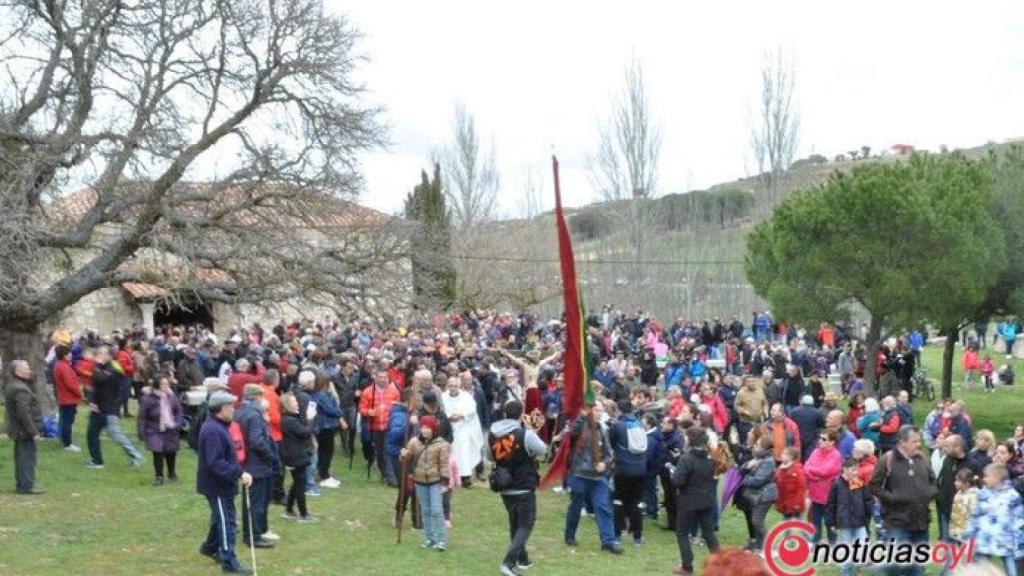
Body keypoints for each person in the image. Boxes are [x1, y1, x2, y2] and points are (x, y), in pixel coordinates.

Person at [196, 390, 254, 574]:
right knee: (227, 522)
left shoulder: (220, 426)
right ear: (221, 408)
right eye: (230, 406)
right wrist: (239, 473)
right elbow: (216, 462)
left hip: (221, 485)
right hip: (217, 486)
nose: (233, 409)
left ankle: (209, 548)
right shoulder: (213, 430)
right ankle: (229, 561)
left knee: (219, 519)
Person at [488, 399, 547, 576]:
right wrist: (530, 430)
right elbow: (543, 450)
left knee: (515, 523)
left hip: (504, 486)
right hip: (523, 486)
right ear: (521, 415)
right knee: (525, 524)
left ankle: (523, 559)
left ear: (505, 414)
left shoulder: (492, 433)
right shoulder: (524, 434)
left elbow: (489, 457)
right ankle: (508, 562)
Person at [869, 426, 936, 576]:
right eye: (914, 441)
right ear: (902, 442)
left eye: (919, 440)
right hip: (897, 522)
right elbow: (874, 486)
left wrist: (929, 493)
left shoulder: (923, 458)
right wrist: (893, 498)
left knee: (917, 565)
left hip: (921, 521)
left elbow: (933, 481)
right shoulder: (887, 459)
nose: (918, 444)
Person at [563, 404, 621, 555]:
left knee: (603, 507)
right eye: (595, 409)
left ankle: (608, 541)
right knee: (575, 507)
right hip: (580, 474)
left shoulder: (603, 430)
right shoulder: (581, 426)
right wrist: (583, 416)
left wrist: (605, 463)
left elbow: (609, 454)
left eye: (601, 410)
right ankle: (570, 535)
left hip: (598, 477)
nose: (599, 413)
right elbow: (572, 433)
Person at [671, 427, 720, 575]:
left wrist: (673, 473)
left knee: (682, 533)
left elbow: (678, 481)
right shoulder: (711, 458)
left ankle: (687, 566)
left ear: (691, 440)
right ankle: (720, 562)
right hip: (706, 500)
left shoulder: (686, 458)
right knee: (708, 532)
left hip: (689, 501)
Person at [86, 346, 144, 469]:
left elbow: (99, 378)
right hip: (97, 409)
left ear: (109, 356)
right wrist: (92, 401)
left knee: (115, 435)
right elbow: (93, 386)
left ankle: (136, 456)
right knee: (91, 434)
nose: (100, 356)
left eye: (103, 353)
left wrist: (97, 365)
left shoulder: (113, 369)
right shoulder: (99, 368)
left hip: (109, 410)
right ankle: (97, 461)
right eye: (99, 353)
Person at [235, 384, 278, 549]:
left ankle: (253, 533)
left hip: (246, 462)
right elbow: (257, 441)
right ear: (258, 396)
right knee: (256, 503)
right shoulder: (254, 415)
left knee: (251, 502)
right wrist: (271, 456)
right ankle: (254, 536)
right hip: (257, 464)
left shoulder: (241, 412)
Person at [401, 415, 451, 552]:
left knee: (436, 510)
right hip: (420, 481)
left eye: (428, 427)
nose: (425, 430)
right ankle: (429, 539)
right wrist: (403, 454)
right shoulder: (414, 442)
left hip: (435, 481)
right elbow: (407, 458)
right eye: (423, 427)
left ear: (433, 428)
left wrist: (444, 483)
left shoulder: (442, 445)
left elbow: (444, 465)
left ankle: (441, 541)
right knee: (426, 511)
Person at [964, 463, 1024, 576]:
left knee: (1013, 571)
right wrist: (969, 535)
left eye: (987, 476)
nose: (984, 479)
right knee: (976, 570)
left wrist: (1019, 546)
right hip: (983, 541)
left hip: (1006, 542)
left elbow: (1019, 521)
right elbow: (975, 516)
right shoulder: (983, 494)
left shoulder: (1012, 496)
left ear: (997, 477)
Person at [608, 400, 648, 546]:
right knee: (636, 502)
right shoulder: (640, 424)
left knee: (618, 500)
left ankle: (617, 535)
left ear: (619, 410)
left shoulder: (617, 426)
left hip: (623, 469)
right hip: (641, 469)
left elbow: (611, 444)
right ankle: (637, 537)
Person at [827, 457, 874, 576]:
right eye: (853, 469)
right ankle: (846, 572)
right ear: (845, 469)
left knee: (863, 544)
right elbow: (831, 505)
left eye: (856, 469)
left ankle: (857, 564)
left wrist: (868, 513)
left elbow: (867, 500)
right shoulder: (837, 485)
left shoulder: (858, 482)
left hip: (859, 521)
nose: (855, 472)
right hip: (845, 523)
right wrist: (831, 523)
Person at [4, 360, 44, 495]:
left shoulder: (14, 385)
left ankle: (23, 484)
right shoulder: (21, 389)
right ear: (17, 371)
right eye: (26, 368)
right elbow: (23, 412)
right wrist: (33, 431)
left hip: (18, 428)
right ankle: (26, 486)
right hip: (24, 430)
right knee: (27, 457)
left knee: (22, 456)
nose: (29, 370)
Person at [137, 376, 183, 486]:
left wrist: (178, 423)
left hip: (171, 428)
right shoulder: (148, 399)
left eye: (167, 384)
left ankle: (171, 473)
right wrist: (141, 431)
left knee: (171, 451)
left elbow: (179, 411)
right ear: (158, 385)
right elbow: (142, 416)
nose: (166, 386)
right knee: (157, 452)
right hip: (154, 429)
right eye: (163, 384)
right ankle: (159, 476)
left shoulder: (172, 397)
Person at [359, 369, 401, 486]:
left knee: (388, 451)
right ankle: (383, 474)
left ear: (388, 378)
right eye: (380, 377)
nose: (383, 379)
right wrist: (368, 412)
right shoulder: (367, 392)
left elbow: (397, 408)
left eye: (385, 377)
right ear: (375, 378)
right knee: (379, 451)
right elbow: (361, 408)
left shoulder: (394, 391)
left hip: (389, 426)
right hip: (375, 426)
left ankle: (391, 478)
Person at [280, 392, 318, 523]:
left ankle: (289, 510)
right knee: (300, 485)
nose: (297, 403)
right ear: (287, 405)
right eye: (294, 402)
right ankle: (303, 514)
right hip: (296, 456)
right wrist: (311, 419)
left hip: (296, 454)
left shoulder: (291, 418)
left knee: (297, 483)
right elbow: (306, 432)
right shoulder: (289, 420)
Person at [442, 375, 484, 487]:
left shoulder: (466, 396)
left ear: (459, 386)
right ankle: (449, 476)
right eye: (451, 386)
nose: (453, 388)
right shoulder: (443, 397)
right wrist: (449, 416)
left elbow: (472, 410)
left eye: (455, 385)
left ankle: (465, 477)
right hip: (448, 428)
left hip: (463, 428)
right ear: (447, 386)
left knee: (464, 452)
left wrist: (461, 415)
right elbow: (441, 411)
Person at [740, 436, 777, 551]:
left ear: (764, 448)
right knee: (756, 521)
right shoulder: (758, 458)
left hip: (765, 496)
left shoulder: (768, 462)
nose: (755, 446)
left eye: (758, 445)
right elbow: (743, 467)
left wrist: (745, 478)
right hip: (757, 496)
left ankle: (767, 545)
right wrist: (748, 467)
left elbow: (757, 480)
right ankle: (760, 547)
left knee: (757, 521)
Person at [805, 428, 842, 544]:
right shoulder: (816, 452)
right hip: (815, 493)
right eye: (820, 438)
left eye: (824, 439)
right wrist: (814, 474)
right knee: (815, 520)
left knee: (829, 521)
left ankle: (832, 543)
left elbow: (826, 471)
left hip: (828, 495)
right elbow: (806, 467)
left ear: (832, 442)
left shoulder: (836, 455)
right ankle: (815, 541)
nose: (820, 441)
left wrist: (812, 471)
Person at [312, 374, 343, 488]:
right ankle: (324, 476)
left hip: (322, 426)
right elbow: (332, 410)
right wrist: (338, 411)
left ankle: (324, 474)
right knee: (326, 452)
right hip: (326, 426)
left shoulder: (315, 394)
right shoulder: (322, 395)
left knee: (323, 451)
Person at [53, 344, 84, 452]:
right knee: (67, 422)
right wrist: (80, 394)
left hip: (65, 398)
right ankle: (68, 444)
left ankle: (63, 440)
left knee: (64, 420)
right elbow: (70, 384)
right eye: (69, 353)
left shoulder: (61, 365)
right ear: (64, 355)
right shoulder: (63, 366)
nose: (71, 355)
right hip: (68, 399)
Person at [790, 395, 824, 462]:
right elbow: (821, 425)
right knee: (809, 458)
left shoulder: (794, 411)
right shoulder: (817, 412)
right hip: (811, 439)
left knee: (797, 457)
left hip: (798, 437)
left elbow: (791, 424)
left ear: (802, 402)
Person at [775, 446, 806, 520]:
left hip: (794, 505)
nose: (782, 455)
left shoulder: (797, 470)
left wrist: (797, 504)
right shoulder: (780, 469)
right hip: (785, 505)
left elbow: (801, 488)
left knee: (795, 526)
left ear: (791, 457)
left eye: (785, 454)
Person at [948, 469, 977, 545]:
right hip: (958, 531)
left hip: (967, 533)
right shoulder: (959, 493)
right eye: (955, 480)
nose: (955, 483)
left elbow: (973, 515)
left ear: (967, 483)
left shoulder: (973, 496)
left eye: (958, 481)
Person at [735, 376, 767, 445]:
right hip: (746, 422)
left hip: (758, 422)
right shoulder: (741, 392)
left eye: (752, 381)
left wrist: (765, 411)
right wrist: (743, 411)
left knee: (758, 440)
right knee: (746, 442)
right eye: (748, 381)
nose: (751, 383)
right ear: (745, 383)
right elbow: (736, 405)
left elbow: (764, 403)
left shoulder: (760, 390)